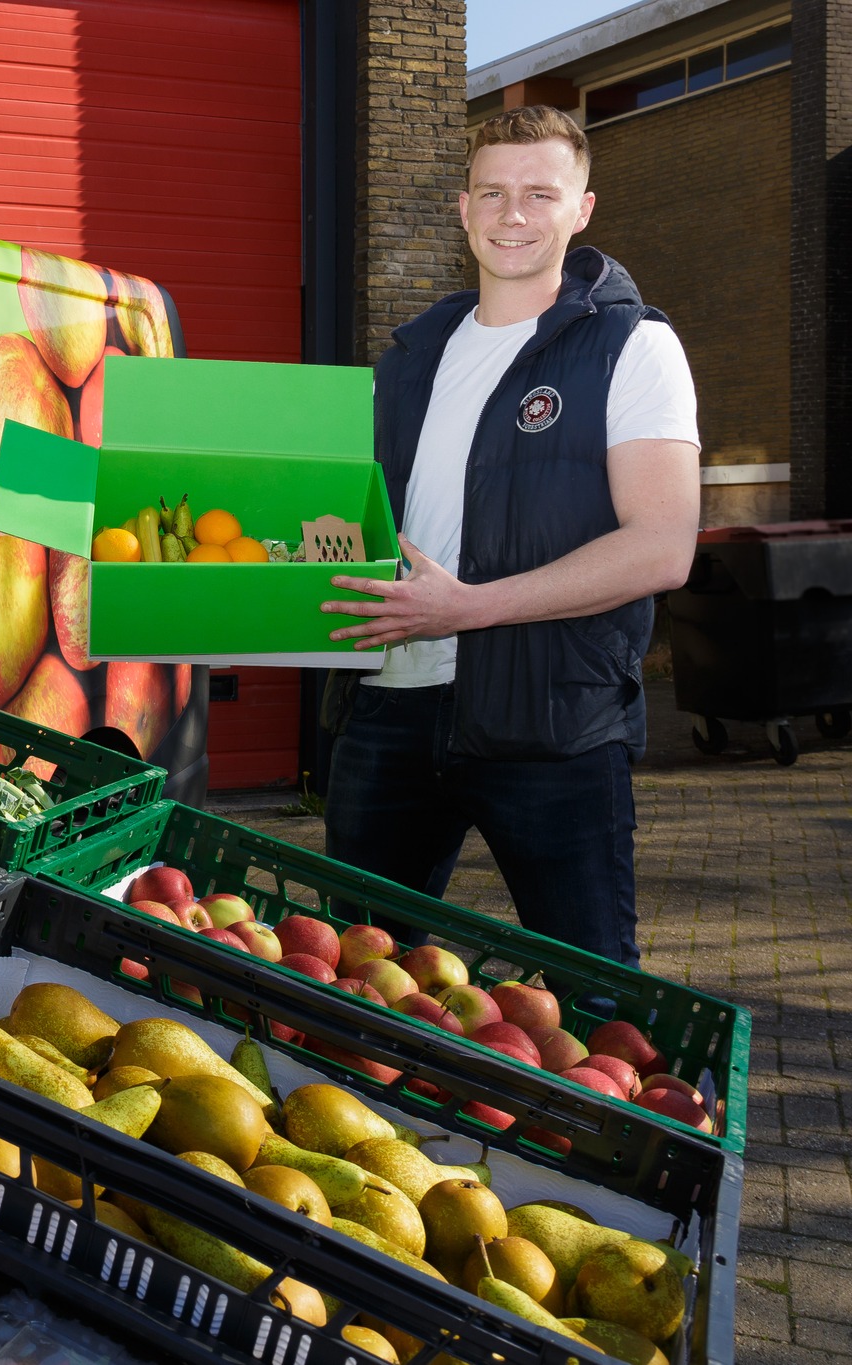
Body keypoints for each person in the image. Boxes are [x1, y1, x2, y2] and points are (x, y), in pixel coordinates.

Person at [319, 105, 701, 967]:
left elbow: (662, 545)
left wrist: (468, 606)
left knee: (595, 993)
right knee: (354, 981)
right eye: (492, 192)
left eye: (540, 192)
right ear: (463, 209)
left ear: (583, 209)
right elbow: (350, 520)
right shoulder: (411, 357)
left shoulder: (630, 347)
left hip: (553, 719)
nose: (514, 214)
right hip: (389, 708)